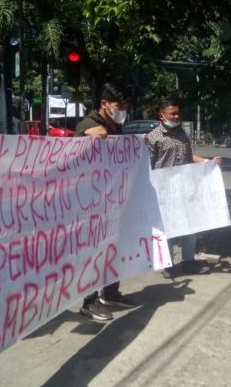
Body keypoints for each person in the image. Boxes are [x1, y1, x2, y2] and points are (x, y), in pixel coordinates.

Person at [75, 82, 139, 321]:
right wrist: (84, 136)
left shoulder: (115, 126)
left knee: (114, 249)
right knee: (93, 253)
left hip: (113, 201)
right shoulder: (88, 125)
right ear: (104, 104)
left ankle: (111, 292)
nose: (123, 111)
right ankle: (89, 301)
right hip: (91, 203)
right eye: (118, 106)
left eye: (125, 107)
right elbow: (72, 152)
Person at [146, 98, 221, 278]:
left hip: (185, 187)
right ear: (161, 115)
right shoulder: (153, 137)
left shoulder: (182, 134)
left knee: (189, 225)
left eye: (178, 113)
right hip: (164, 190)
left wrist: (207, 162)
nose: (177, 116)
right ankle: (168, 264)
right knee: (169, 228)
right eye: (173, 113)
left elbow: (189, 156)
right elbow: (147, 165)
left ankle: (189, 261)